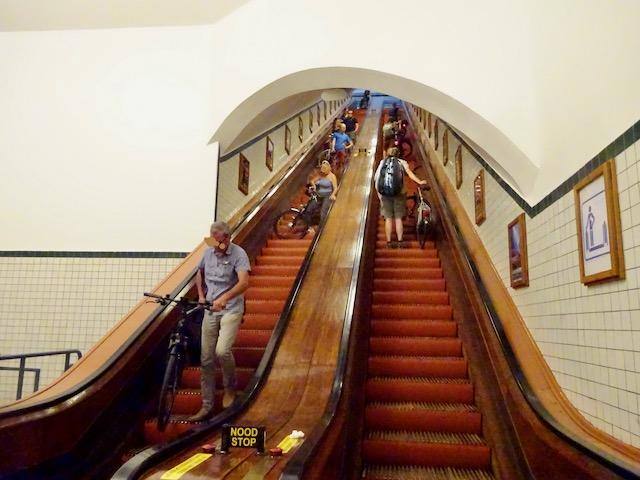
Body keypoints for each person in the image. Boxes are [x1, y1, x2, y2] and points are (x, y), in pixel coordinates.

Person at [188, 221, 250, 421]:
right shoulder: (208, 252)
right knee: (206, 358)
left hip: (231, 309)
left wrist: (224, 298)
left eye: (218, 241)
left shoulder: (239, 254)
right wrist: (201, 295)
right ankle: (206, 405)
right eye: (212, 240)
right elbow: (199, 272)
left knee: (222, 351)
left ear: (227, 238)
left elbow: (244, 283)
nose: (215, 246)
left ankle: (230, 389)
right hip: (210, 310)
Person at [374, 147, 427, 248]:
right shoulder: (402, 162)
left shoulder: (382, 162)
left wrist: (380, 196)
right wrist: (419, 182)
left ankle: (389, 242)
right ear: (398, 154)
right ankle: (400, 242)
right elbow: (410, 174)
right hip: (399, 194)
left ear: (388, 154)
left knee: (388, 218)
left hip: (385, 194)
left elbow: (376, 179)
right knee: (398, 218)